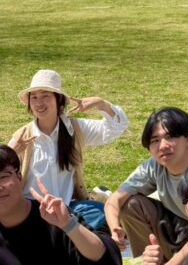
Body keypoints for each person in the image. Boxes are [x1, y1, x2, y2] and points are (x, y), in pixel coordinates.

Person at [103, 108, 188, 265]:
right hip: (181, 228)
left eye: (170, 137)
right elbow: (114, 200)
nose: (163, 146)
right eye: (155, 140)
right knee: (131, 206)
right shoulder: (154, 166)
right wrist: (115, 231)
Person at [8, 69, 128, 230]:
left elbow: (116, 128)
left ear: (58, 99)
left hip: (68, 210)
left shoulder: (74, 128)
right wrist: (11, 151)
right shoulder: (23, 136)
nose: (39, 103)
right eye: (34, 97)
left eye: (45, 96)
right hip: (34, 212)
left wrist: (101, 104)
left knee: (104, 214)